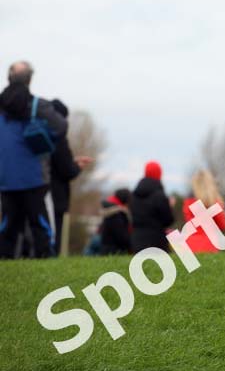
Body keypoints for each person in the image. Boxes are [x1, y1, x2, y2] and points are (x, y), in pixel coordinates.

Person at [0, 61, 67, 258]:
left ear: (8, 77)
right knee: (40, 224)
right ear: (30, 79)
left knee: (7, 225)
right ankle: (45, 260)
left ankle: (4, 261)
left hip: (6, 177)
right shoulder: (38, 105)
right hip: (34, 176)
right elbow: (61, 127)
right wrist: (45, 141)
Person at [49, 99, 93, 256]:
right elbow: (66, 170)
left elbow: (54, 162)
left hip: (38, 192)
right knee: (54, 233)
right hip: (55, 194)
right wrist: (77, 166)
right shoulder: (57, 137)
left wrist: (71, 161)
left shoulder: (39, 134)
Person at [130, 161, 175, 252]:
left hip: (137, 240)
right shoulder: (159, 195)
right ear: (159, 174)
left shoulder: (134, 195)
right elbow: (168, 220)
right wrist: (170, 206)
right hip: (156, 241)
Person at [183, 169, 225, 253]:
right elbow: (223, 226)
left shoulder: (188, 203)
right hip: (210, 245)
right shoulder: (215, 204)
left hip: (190, 245)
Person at [99, 188, 131, 255]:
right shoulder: (116, 215)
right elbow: (121, 236)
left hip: (106, 249)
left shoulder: (110, 211)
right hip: (114, 251)